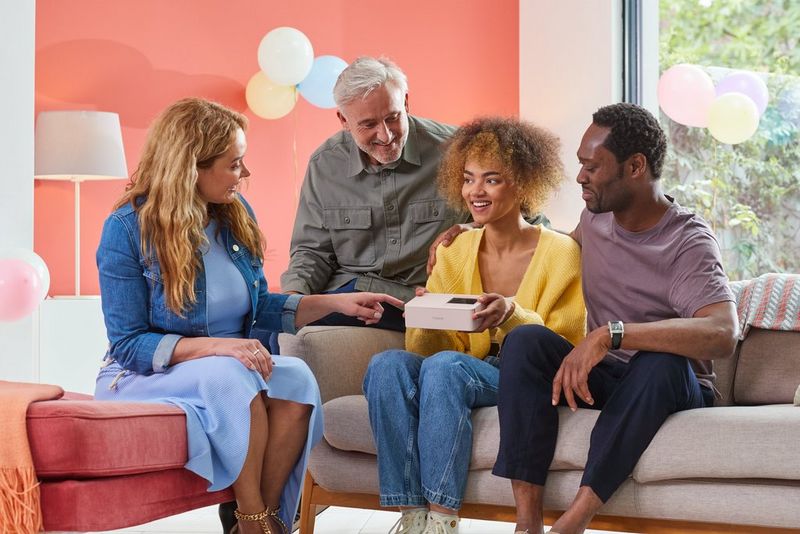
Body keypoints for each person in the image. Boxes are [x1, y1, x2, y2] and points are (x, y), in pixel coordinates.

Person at [93, 98, 403, 534]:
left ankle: (266, 517)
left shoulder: (234, 217)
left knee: (296, 378)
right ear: (191, 167)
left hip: (228, 365)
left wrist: (334, 304)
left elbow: (260, 307)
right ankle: (255, 520)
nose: (246, 174)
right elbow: (128, 344)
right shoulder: (128, 229)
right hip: (148, 373)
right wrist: (221, 348)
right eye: (235, 164)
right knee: (233, 374)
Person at [491, 103, 739, 534]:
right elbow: (543, 254)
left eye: (593, 166)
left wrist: (612, 335)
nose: (580, 177)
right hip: (607, 380)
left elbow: (723, 332)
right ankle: (527, 523)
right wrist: (468, 237)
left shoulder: (687, 241)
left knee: (659, 361)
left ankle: (575, 520)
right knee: (526, 341)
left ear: (636, 166)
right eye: (580, 164)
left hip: (671, 386)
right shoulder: (595, 218)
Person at [363, 117, 587, 534]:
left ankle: (443, 520)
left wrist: (510, 313)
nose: (475, 192)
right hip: (460, 367)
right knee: (387, 365)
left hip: (524, 377)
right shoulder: (455, 249)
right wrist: (427, 314)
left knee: (448, 367)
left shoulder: (561, 253)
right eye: (468, 179)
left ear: (521, 183)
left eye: (491, 180)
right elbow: (425, 353)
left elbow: (563, 342)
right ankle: (412, 516)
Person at [277, 56, 468, 336]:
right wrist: (293, 303)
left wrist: (470, 226)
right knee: (270, 326)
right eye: (368, 125)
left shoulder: (456, 150)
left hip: (424, 301)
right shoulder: (325, 163)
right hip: (353, 296)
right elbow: (312, 252)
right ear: (343, 120)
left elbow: (521, 221)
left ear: (405, 102)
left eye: (393, 117)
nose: (386, 135)